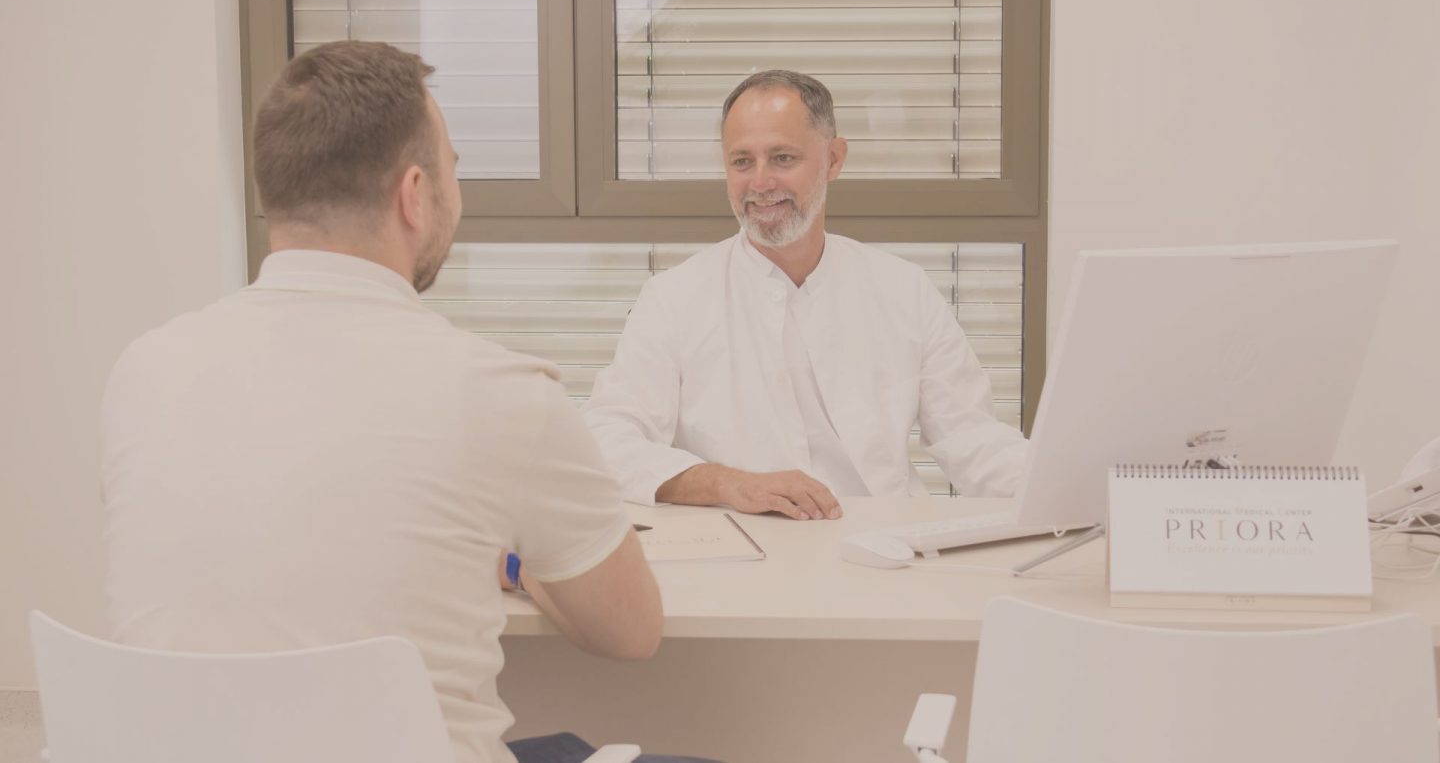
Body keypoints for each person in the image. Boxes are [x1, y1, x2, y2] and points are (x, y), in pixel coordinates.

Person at [101, 41, 715, 763]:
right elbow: (630, 631)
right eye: (455, 169)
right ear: (414, 194)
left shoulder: (145, 369)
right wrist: (515, 563)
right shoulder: (496, 393)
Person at [582, 70, 1028, 520]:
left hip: (886, 549)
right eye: (741, 162)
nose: (760, 182)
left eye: (782, 158)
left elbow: (972, 438)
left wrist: (1078, 485)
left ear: (834, 159)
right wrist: (727, 482)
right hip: (743, 556)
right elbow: (606, 439)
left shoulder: (904, 290)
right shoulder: (672, 300)